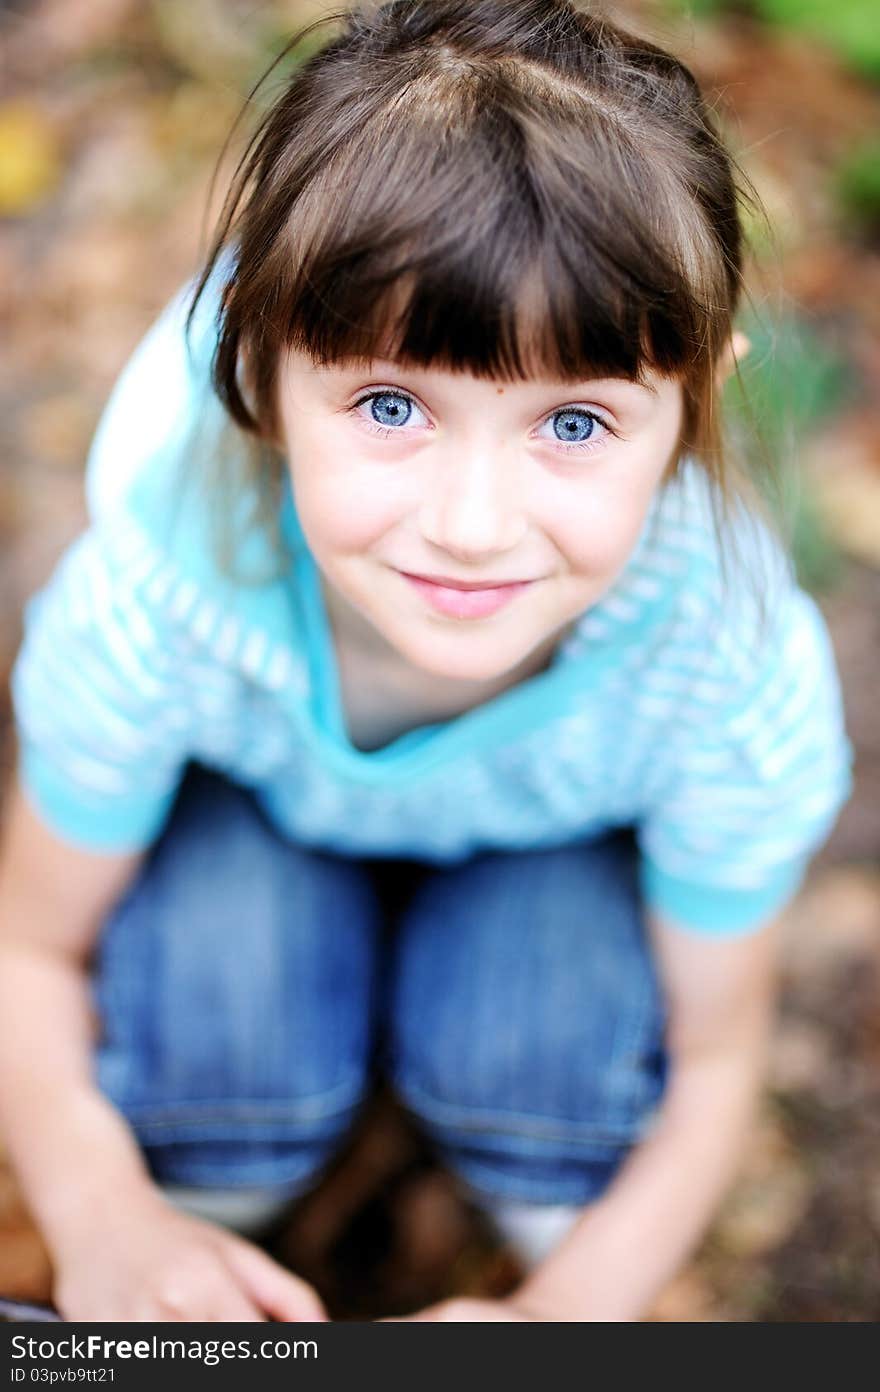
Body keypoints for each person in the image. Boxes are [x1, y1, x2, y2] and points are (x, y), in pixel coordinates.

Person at [0, 0, 853, 1322]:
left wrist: (561, 1318)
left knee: (542, 1064)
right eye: (391, 405)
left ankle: (513, 1205)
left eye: (574, 420)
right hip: (252, 834)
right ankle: (212, 1219)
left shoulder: (723, 669)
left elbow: (717, 1056)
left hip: (546, 859)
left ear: (694, 401)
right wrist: (101, 1215)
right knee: (234, 1041)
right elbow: (30, 947)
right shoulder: (163, 600)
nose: (470, 524)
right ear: (263, 372)